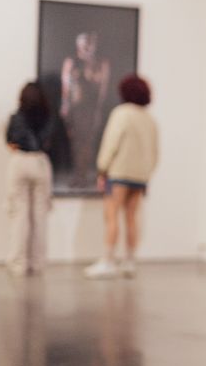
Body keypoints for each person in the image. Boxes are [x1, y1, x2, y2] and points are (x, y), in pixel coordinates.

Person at [85, 75, 160, 280]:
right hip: (140, 176)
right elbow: (155, 152)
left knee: (111, 216)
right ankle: (129, 261)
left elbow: (111, 143)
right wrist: (146, 172)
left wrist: (102, 169)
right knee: (131, 218)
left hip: (119, 173)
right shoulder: (149, 119)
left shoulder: (122, 113)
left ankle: (108, 260)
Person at [5, 82, 56, 277]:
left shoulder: (16, 117)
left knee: (19, 214)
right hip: (41, 162)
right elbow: (50, 142)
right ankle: (37, 262)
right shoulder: (48, 118)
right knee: (40, 216)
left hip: (19, 162)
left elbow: (9, 142)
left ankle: (18, 263)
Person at [60, 31, 111, 189]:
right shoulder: (71, 62)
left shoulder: (101, 64)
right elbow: (66, 87)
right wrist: (65, 106)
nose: (86, 48)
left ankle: (82, 174)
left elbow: (102, 89)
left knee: (87, 143)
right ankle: (78, 174)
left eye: (89, 44)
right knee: (76, 142)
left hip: (90, 108)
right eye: (83, 45)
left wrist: (98, 110)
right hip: (76, 108)